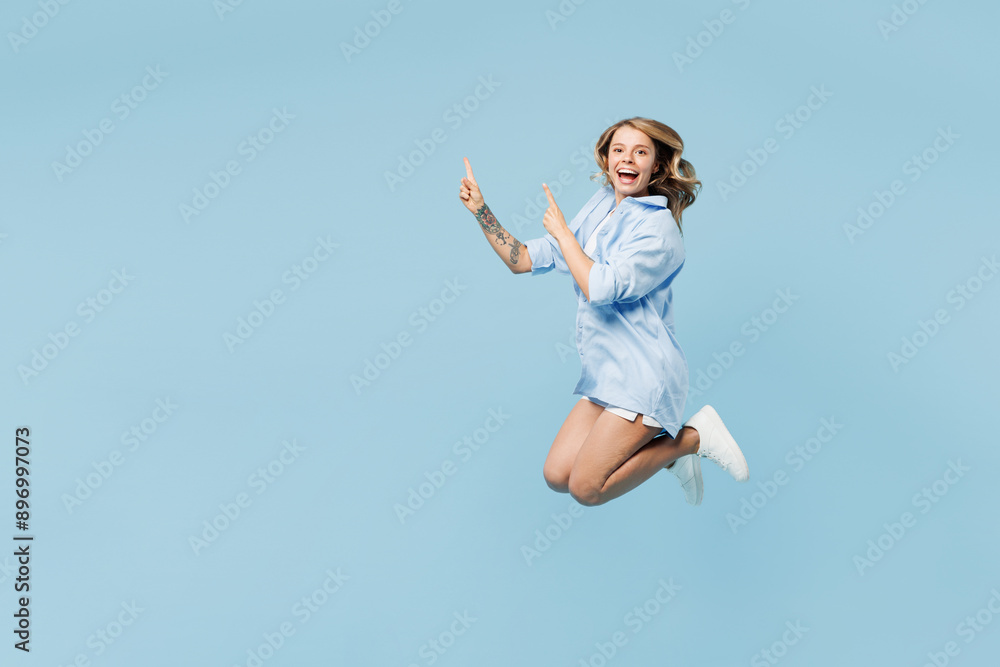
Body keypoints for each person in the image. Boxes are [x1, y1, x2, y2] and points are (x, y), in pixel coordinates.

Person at [458, 117, 749, 507]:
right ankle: (671, 455)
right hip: (607, 374)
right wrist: (481, 210)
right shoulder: (601, 208)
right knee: (557, 474)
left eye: (640, 152)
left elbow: (601, 287)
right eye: (619, 150)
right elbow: (524, 260)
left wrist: (563, 234)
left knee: (586, 488)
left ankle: (691, 439)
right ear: (607, 160)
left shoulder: (659, 229)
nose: (627, 159)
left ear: (657, 166)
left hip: (645, 375)